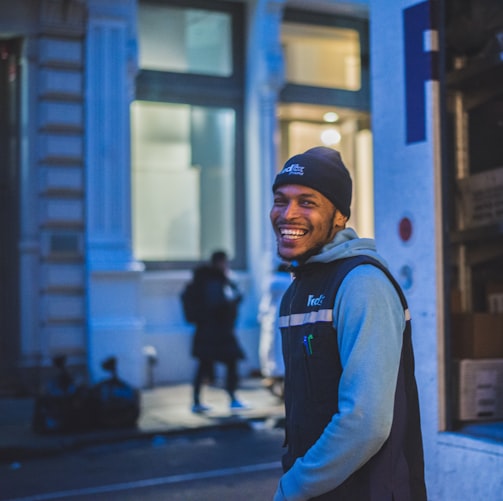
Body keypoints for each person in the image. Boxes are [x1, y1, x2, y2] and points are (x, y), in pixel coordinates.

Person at [270, 146, 426, 500]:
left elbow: (365, 423)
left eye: (307, 202)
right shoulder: (299, 288)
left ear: (340, 216)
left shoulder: (361, 285)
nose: (287, 214)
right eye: (281, 200)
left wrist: (293, 486)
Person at [189, 250, 247, 413]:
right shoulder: (215, 282)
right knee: (229, 362)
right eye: (225, 262)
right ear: (219, 263)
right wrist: (234, 300)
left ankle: (197, 401)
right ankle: (231, 398)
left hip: (208, 332)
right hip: (217, 332)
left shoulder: (210, 280)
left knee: (205, 365)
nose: (227, 266)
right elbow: (219, 305)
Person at [258, 263, 291, 398]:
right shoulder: (290, 285)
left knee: (271, 354)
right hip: (285, 325)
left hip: (270, 326)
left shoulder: (270, 286)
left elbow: (263, 310)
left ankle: (272, 380)